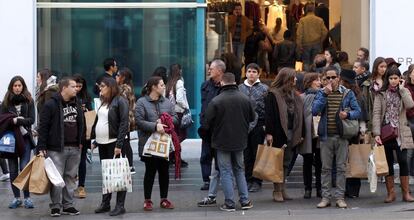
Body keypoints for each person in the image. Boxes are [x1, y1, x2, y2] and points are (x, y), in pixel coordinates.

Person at [202, 72, 255, 211]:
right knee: (239, 169)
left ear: (222, 83)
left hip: (221, 141)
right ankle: (245, 201)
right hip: (240, 140)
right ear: (235, 82)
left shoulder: (216, 100)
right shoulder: (245, 99)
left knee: (225, 171)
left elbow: (207, 123)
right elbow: (252, 117)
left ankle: (230, 203)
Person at [312, 66, 361, 209]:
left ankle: (339, 197)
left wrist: (348, 115)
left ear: (338, 78)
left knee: (341, 168)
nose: (331, 80)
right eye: (328, 78)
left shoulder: (348, 93)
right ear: (325, 79)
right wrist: (324, 95)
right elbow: (314, 111)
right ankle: (326, 198)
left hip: (342, 136)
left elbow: (357, 111)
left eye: (334, 77)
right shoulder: (321, 93)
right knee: (325, 169)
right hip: (326, 137)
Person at [37, 77, 84, 217]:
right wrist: (41, 146)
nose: (76, 89)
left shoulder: (77, 103)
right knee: (56, 178)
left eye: (76, 86)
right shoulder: (51, 104)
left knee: (70, 177)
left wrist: (81, 142)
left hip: (75, 147)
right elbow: (43, 127)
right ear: (64, 88)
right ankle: (56, 206)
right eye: (73, 86)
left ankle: (68, 205)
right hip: (56, 148)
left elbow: (81, 124)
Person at [373, 66, 414, 203]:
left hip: (401, 131)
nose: (393, 81)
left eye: (396, 78)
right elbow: (376, 114)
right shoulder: (381, 93)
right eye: (390, 78)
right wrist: (376, 133)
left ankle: (406, 193)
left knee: (403, 161)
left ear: (400, 78)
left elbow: (410, 105)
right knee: (388, 162)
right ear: (387, 79)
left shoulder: (404, 90)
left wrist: (402, 90)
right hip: (386, 132)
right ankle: (391, 193)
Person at [135, 76, 177, 211]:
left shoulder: (167, 102)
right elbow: (139, 121)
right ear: (153, 87)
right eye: (161, 85)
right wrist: (155, 126)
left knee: (164, 171)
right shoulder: (141, 102)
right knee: (150, 171)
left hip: (164, 144)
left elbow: (176, 118)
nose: (164, 87)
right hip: (149, 143)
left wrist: (168, 122)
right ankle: (147, 200)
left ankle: (164, 199)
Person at [265, 68, 304, 202]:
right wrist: (269, 133)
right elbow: (269, 116)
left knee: (286, 162)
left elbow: (300, 115)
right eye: (294, 77)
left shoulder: (294, 95)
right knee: (277, 163)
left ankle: (283, 188)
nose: (296, 79)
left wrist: (300, 132)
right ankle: (277, 190)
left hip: (292, 132)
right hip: (278, 133)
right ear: (286, 78)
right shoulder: (273, 94)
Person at [91, 77, 129, 216]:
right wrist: (95, 140)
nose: (100, 89)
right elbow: (100, 121)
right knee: (106, 174)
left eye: (103, 86)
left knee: (118, 174)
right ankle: (105, 203)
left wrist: (119, 144)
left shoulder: (120, 101)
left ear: (110, 87)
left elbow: (124, 123)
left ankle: (120, 205)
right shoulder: (103, 102)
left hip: (114, 143)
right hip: (102, 143)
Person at [1, 76, 35, 209]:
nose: (17, 88)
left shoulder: (29, 101)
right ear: (11, 87)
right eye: (15, 86)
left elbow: (31, 120)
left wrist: (17, 121)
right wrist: (13, 120)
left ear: (23, 86)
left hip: (25, 139)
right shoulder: (5, 102)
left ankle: (27, 198)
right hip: (11, 140)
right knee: (13, 170)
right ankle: (16, 198)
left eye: (19, 85)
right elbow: (2, 120)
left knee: (24, 168)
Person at [239, 63, 268, 193]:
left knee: (257, 153)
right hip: (244, 124)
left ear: (258, 74)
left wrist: (267, 126)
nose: (251, 74)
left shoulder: (264, 89)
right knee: (246, 154)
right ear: (246, 73)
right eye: (249, 71)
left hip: (259, 124)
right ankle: (248, 179)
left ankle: (257, 181)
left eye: (254, 72)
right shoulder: (240, 88)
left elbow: (268, 108)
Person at [341, 69, 368, 198]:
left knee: (347, 159)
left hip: (347, 130)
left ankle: (348, 189)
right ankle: (353, 190)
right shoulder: (358, 94)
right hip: (355, 130)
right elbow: (364, 114)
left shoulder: (349, 94)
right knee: (354, 158)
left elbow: (362, 113)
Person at [199, 59, 224, 191]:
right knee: (206, 154)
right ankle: (206, 180)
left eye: (211, 69)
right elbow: (204, 105)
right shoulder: (205, 86)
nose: (209, 71)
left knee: (221, 155)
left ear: (219, 71)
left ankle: (221, 178)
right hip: (207, 126)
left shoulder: (226, 86)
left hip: (220, 128)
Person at [300, 72, 322, 199]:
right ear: (310, 82)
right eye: (316, 80)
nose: (319, 82)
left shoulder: (323, 95)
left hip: (319, 132)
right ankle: (307, 188)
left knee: (319, 161)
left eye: (319, 80)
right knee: (307, 160)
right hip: (307, 132)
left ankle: (319, 188)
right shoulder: (302, 97)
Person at [165, 64, 190, 167]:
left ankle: (173, 157)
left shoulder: (169, 82)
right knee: (181, 136)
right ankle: (175, 156)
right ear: (179, 70)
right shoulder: (179, 82)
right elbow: (179, 99)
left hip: (170, 112)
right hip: (178, 112)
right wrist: (185, 107)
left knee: (174, 136)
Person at [73, 74, 92, 199]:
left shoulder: (86, 97)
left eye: (80, 86)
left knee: (82, 160)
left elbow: (91, 116)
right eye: (76, 86)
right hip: (71, 133)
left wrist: (89, 134)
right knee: (71, 161)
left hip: (84, 133)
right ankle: (70, 185)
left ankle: (81, 186)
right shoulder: (67, 97)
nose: (78, 89)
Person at [296, 3, 328, 71]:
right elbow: (325, 32)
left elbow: (299, 34)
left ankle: (307, 78)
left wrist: (299, 45)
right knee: (316, 62)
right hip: (317, 44)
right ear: (314, 10)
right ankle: (315, 78)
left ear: (306, 10)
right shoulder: (320, 20)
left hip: (305, 44)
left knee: (306, 62)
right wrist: (320, 41)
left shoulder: (302, 20)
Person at [116, 67, 136, 174]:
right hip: (128, 118)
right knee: (125, 141)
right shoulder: (128, 87)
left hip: (125, 119)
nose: (116, 77)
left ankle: (129, 165)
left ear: (123, 78)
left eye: (118, 75)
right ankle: (129, 164)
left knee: (125, 142)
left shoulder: (123, 89)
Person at [404, 64, 414, 180]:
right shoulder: (405, 87)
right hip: (408, 120)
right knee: (409, 151)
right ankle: (406, 177)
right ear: (410, 73)